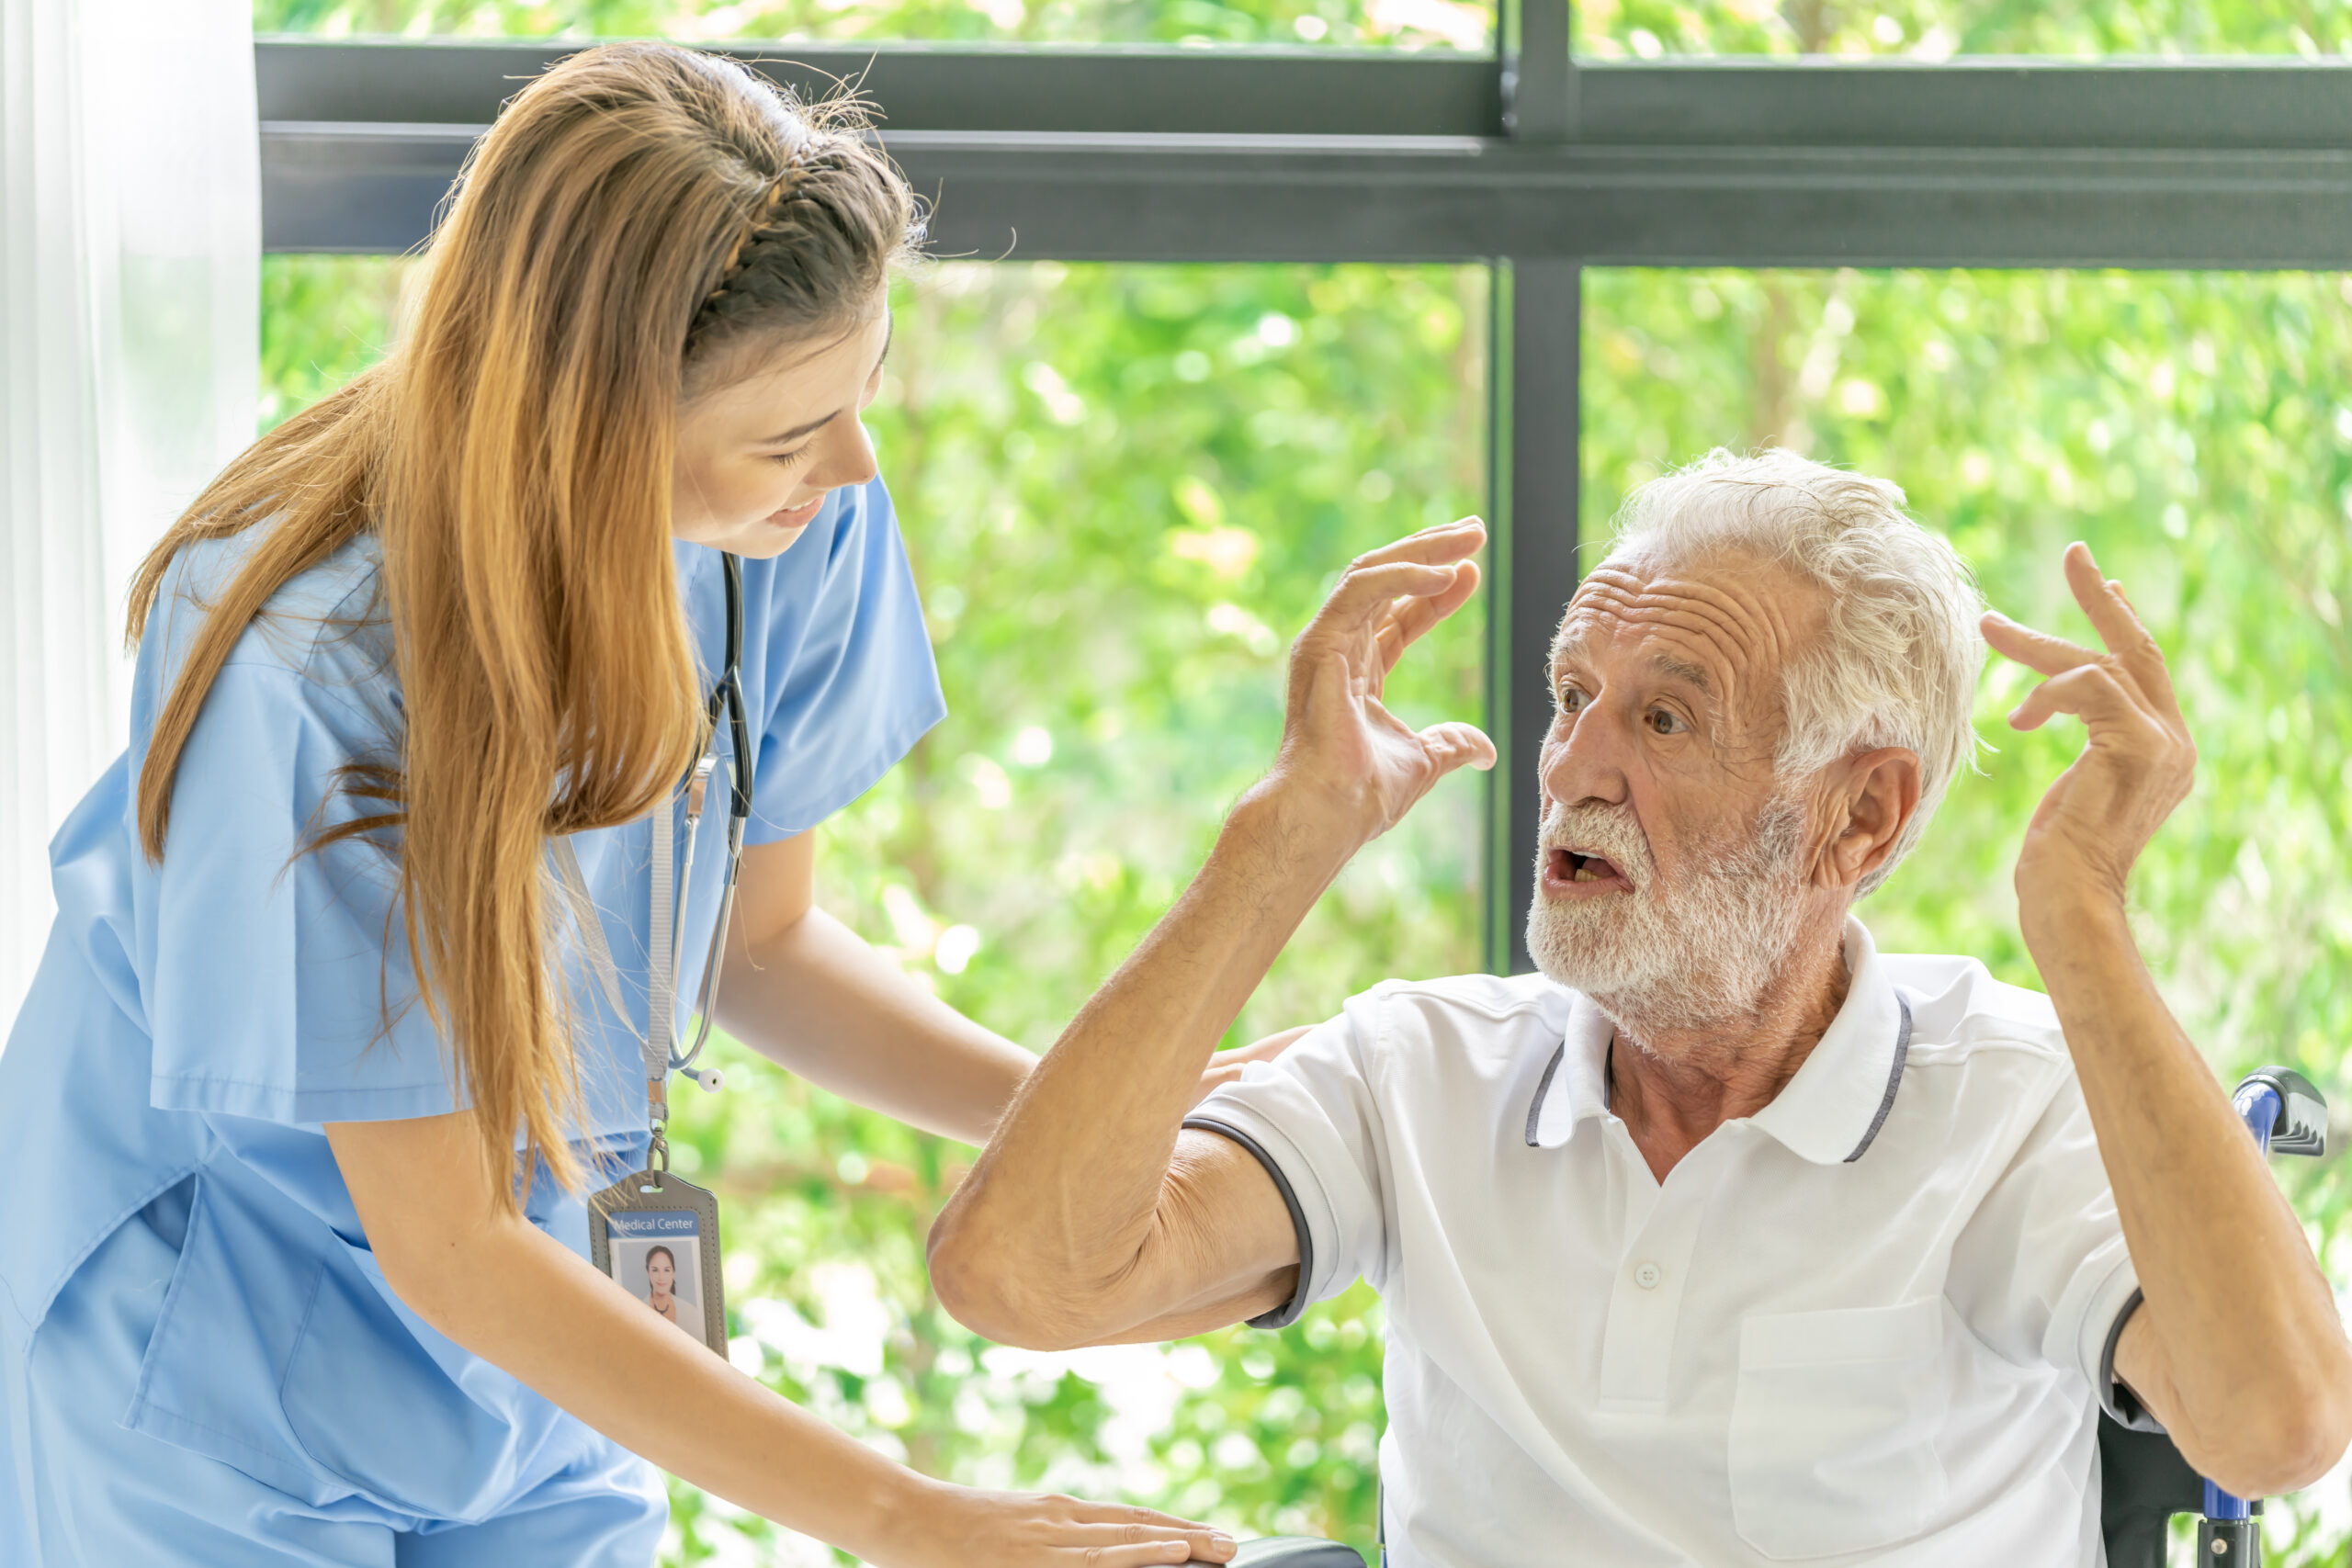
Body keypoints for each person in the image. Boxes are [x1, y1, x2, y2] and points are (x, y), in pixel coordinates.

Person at [0, 39, 1493, 1568]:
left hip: (538, 1330)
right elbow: (449, 1240)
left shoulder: (789, 514)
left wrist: (1110, 1110)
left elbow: (760, 947)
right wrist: (914, 1519)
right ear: (589, 427)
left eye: (860, 396)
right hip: (216, 1348)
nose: (847, 465)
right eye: (789, 435)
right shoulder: (310, 658)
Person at [931, 449, 2352, 1564]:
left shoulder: (2011, 1100)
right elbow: (1021, 1277)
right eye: (1571, 695)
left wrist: (2083, 917)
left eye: (1662, 719)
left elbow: (2278, 1427)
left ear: (1860, 815)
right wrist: (1285, 837)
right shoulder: (1417, 1072)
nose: (1573, 768)